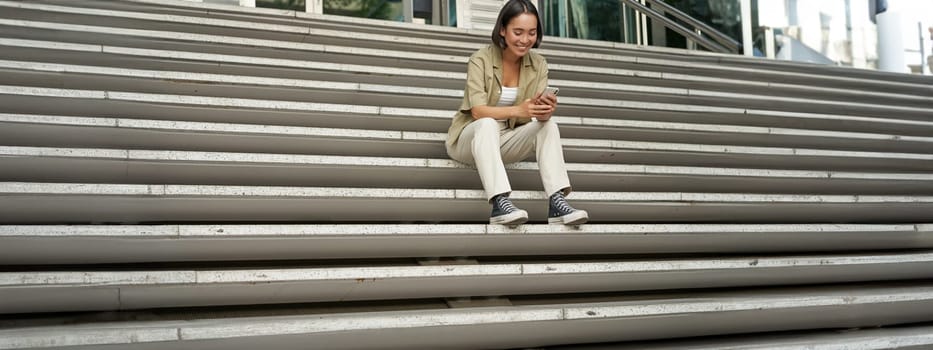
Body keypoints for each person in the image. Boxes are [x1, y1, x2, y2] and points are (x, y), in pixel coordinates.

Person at [446, 0, 588, 226]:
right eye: (518, 32)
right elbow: (477, 111)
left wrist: (544, 111)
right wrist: (519, 109)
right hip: (470, 139)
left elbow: (533, 116)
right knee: (487, 123)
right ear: (502, 30)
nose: (525, 40)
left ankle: (557, 202)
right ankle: (499, 202)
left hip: (507, 139)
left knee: (549, 126)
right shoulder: (480, 59)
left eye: (532, 32)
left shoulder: (539, 64)